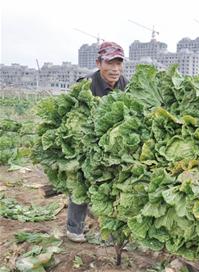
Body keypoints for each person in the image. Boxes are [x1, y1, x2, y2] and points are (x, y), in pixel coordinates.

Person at [66, 41, 128, 242]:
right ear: (99, 63)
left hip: (115, 148)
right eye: (110, 63)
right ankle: (74, 229)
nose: (115, 69)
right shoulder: (84, 85)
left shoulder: (126, 85)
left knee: (115, 188)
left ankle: (113, 234)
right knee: (80, 184)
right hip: (84, 145)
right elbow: (70, 117)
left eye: (119, 63)